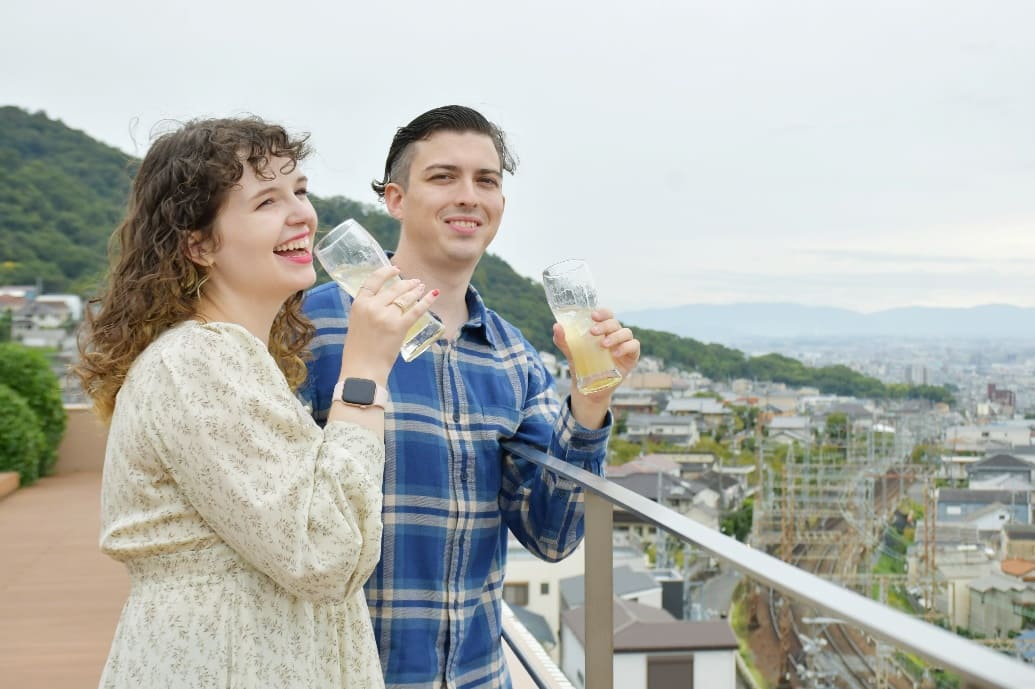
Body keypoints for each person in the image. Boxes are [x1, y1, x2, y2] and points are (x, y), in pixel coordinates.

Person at [74, 116, 438, 689]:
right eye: (267, 200)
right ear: (198, 244)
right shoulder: (196, 361)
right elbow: (324, 552)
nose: (301, 214)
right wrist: (365, 373)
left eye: (299, 191)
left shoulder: (228, 357)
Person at [301, 105, 641, 688]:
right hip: (339, 674)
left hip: (479, 676)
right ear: (395, 199)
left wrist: (590, 401)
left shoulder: (515, 358)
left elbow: (552, 535)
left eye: (487, 181)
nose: (469, 195)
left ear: (502, 205)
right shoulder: (316, 326)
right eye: (443, 177)